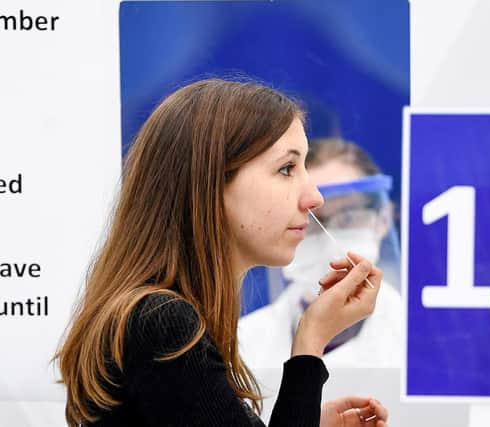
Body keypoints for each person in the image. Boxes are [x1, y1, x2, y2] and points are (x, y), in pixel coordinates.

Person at [53, 79, 389, 427]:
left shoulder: (163, 316)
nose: (314, 198)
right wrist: (312, 339)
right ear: (209, 182)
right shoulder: (162, 321)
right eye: (287, 169)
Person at [239, 138, 402, 369]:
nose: (328, 239)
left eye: (347, 217)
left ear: (383, 218)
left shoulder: (417, 338)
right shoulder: (242, 344)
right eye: (311, 221)